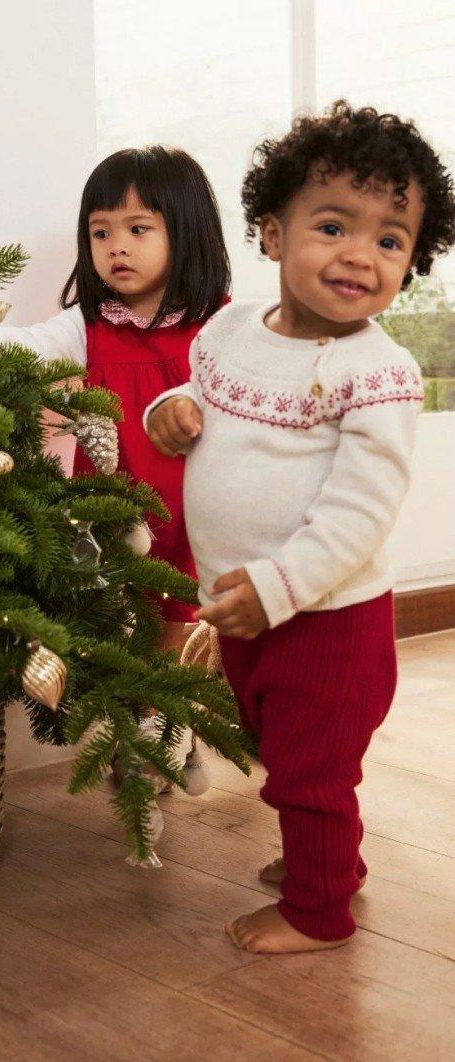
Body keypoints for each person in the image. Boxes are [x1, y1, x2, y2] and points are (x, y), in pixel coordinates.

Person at [145, 101, 455, 953]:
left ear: (412, 263)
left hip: (327, 621)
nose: (361, 253)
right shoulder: (233, 328)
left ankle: (319, 912)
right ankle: (329, 862)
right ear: (273, 234)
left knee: (310, 774)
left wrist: (279, 589)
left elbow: (359, 511)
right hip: (245, 608)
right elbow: (198, 400)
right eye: (332, 225)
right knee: (283, 752)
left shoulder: (380, 373)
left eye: (391, 240)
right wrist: (169, 410)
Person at [0, 145, 230, 654]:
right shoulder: (89, 325)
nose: (116, 247)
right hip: (112, 514)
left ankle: (173, 719)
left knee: (174, 637)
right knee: (111, 631)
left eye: (138, 229)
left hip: (198, 512)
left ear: (187, 231)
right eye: (100, 232)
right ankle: (131, 719)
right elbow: (31, 348)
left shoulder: (220, 326)